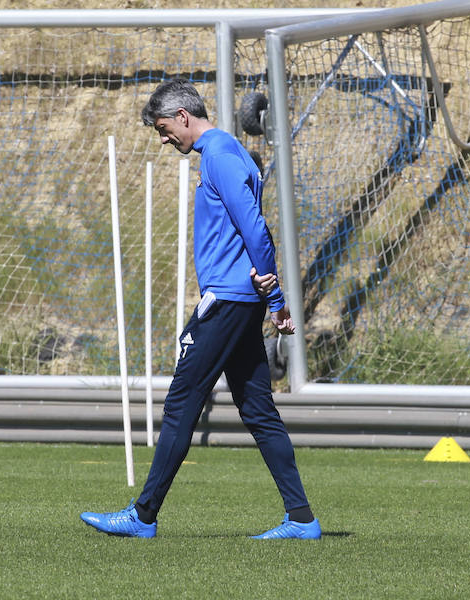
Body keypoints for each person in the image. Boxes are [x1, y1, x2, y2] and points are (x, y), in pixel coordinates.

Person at [80, 79, 319, 540]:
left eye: (165, 128)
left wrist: (277, 299)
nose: (165, 138)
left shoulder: (220, 157)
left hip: (227, 301)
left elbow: (255, 227)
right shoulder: (227, 153)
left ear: (184, 117)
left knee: (180, 404)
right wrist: (270, 299)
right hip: (239, 300)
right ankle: (302, 519)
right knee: (258, 411)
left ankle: (143, 516)